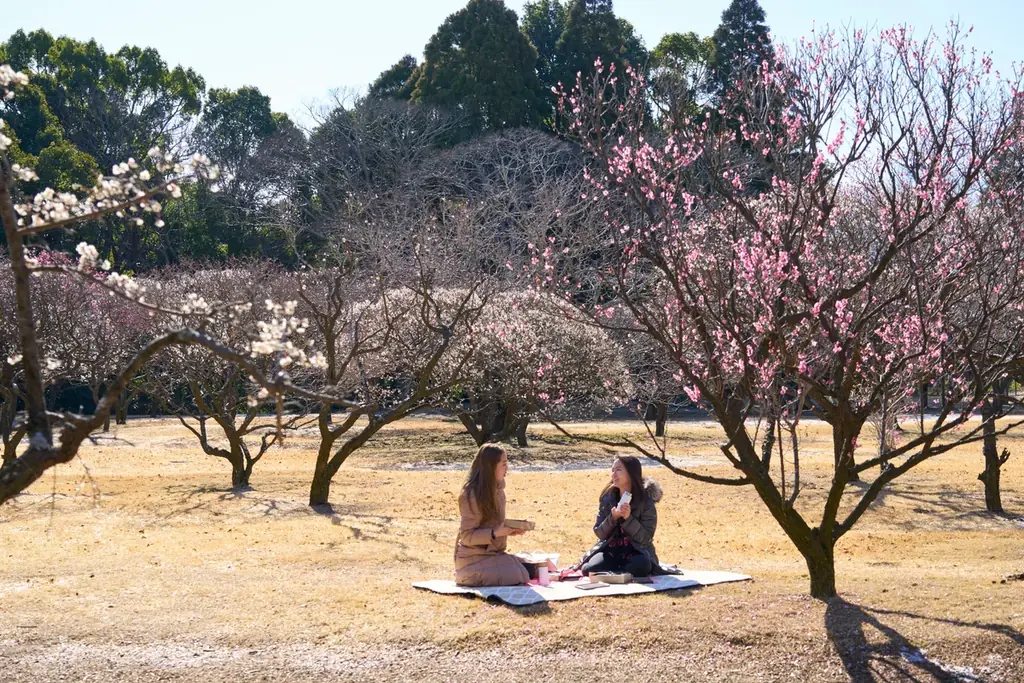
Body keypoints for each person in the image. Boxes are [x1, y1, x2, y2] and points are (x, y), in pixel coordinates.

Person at [454, 443, 531, 586]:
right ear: (491, 467)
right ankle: (465, 576)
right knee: (520, 575)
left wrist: (510, 529)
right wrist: (495, 533)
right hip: (472, 560)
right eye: (503, 464)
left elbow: (494, 526)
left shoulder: (498, 490)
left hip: (493, 555)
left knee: (535, 567)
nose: (507, 469)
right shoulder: (471, 494)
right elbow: (466, 536)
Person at [581, 455, 662, 577]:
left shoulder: (645, 501)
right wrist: (612, 518)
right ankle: (618, 570)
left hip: (637, 551)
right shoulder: (608, 498)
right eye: (612, 470)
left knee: (642, 566)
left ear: (631, 473)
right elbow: (599, 533)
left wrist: (628, 519)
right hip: (610, 550)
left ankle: (619, 571)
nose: (613, 474)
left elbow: (646, 538)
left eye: (618, 470)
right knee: (590, 569)